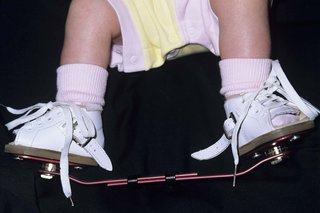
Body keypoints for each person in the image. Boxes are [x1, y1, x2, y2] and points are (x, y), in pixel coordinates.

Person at [3, 0, 319, 204]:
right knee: (88, 8)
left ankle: (247, 101)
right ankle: (78, 116)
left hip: (208, 8)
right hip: (137, 11)